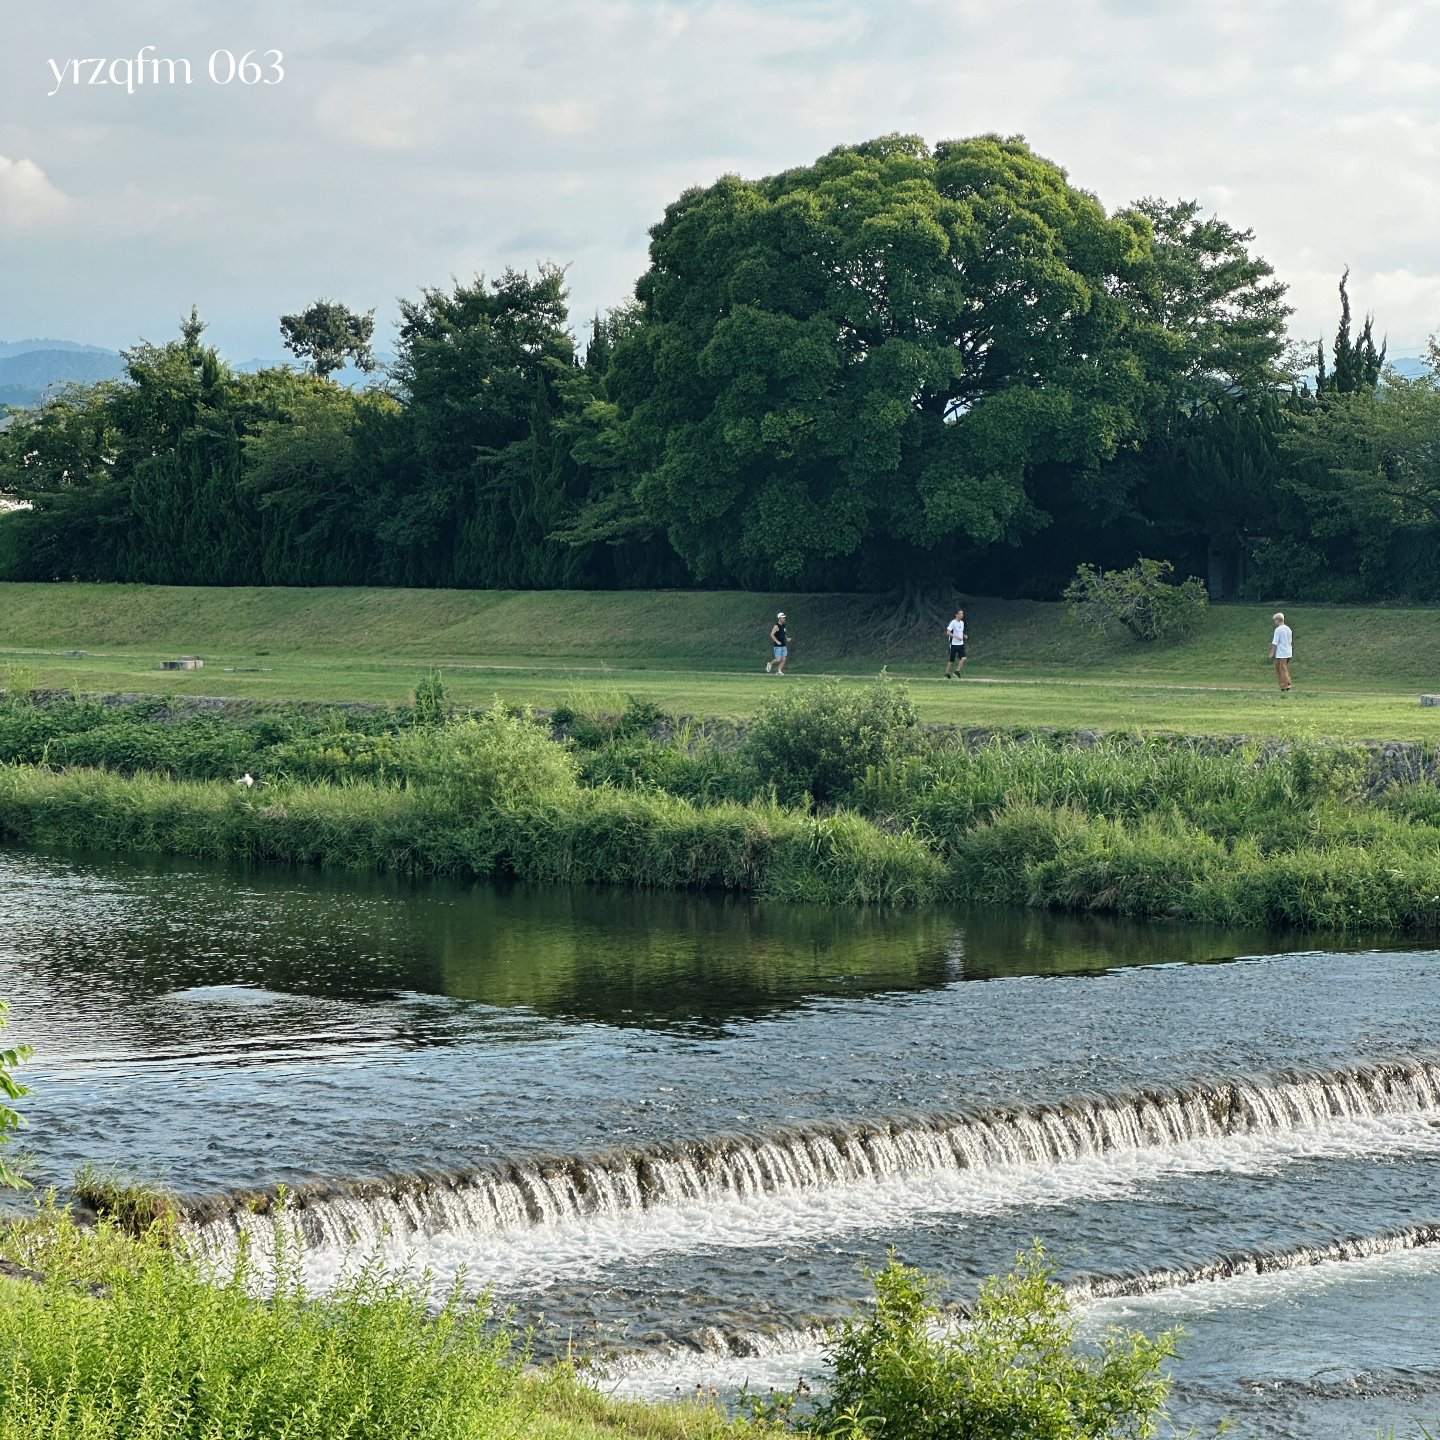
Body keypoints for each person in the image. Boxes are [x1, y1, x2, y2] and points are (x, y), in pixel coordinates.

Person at [1268, 611, 1293, 693]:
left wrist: (1272, 652)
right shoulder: (1288, 629)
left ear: (1278, 620)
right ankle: (1284, 683)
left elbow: (1275, 642)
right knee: (1283, 668)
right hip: (1288, 652)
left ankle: (1285, 684)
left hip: (1281, 653)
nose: (1275, 622)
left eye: (1275, 620)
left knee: (1281, 669)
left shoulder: (1278, 630)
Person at [944, 607, 967, 679]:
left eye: (962, 614)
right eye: (960, 614)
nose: (962, 615)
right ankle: (946, 673)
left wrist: (964, 635)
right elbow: (948, 632)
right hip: (954, 644)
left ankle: (957, 671)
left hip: (961, 644)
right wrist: (955, 637)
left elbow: (961, 631)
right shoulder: (953, 623)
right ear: (956, 615)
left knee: (963, 658)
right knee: (951, 660)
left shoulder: (962, 623)